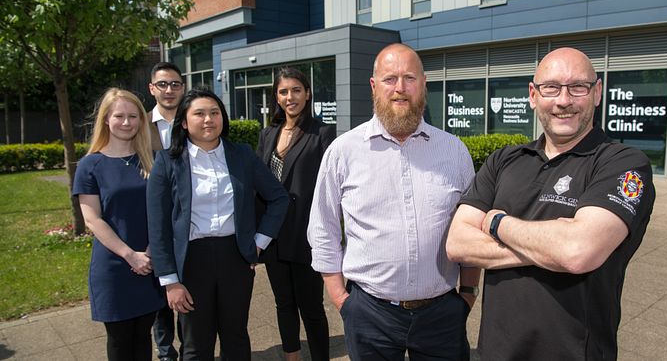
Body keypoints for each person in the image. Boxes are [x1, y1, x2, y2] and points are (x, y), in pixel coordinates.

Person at [446, 47, 656, 360]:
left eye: (578, 87)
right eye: (551, 88)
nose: (563, 100)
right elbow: (458, 244)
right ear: (533, 95)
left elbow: (577, 252)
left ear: (597, 93)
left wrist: (497, 224)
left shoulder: (621, 163)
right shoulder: (504, 160)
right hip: (496, 352)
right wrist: (552, 244)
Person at [307, 43, 480, 360]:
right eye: (390, 79)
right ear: (374, 86)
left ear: (424, 84)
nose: (400, 89)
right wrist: (340, 298)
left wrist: (467, 293)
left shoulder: (454, 151)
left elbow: (472, 227)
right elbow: (323, 227)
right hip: (370, 314)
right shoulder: (343, 152)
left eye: (409, 78)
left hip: (442, 314)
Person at [146, 88, 288, 361]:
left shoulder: (242, 155)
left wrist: (258, 243)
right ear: (184, 122)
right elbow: (158, 226)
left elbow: (278, 198)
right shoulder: (167, 162)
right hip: (191, 260)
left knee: (236, 337)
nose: (208, 119)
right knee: (196, 344)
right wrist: (170, 281)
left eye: (214, 113)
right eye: (199, 113)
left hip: (235, 257)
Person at [73, 88, 165, 361]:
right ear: (106, 120)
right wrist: (130, 255)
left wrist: (150, 251)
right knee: (120, 340)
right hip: (114, 267)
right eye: (119, 116)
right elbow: (92, 219)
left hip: (149, 263)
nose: (127, 122)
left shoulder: (152, 161)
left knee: (143, 337)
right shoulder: (90, 165)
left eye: (133, 116)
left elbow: (163, 209)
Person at [256, 67, 334, 361]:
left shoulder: (322, 133)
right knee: (283, 303)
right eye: (283, 91)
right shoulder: (267, 134)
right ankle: (291, 355)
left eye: (296, 90)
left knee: (311, 307)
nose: (290, 97)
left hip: (305, 235)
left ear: (307, 93)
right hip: (273, 236)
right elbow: (258, 185)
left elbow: (330, 186)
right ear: (277, 96)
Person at [147, 61, 185, 361]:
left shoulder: (194, 121)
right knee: (162, 291)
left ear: (182, 88)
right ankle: (164, 351)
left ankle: (190, 346)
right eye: (163, 84)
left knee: (187, 288)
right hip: (156, 219)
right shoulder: (140, 125)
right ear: (152, 88)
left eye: (174, 84)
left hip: (188, 221)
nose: (169, 90)